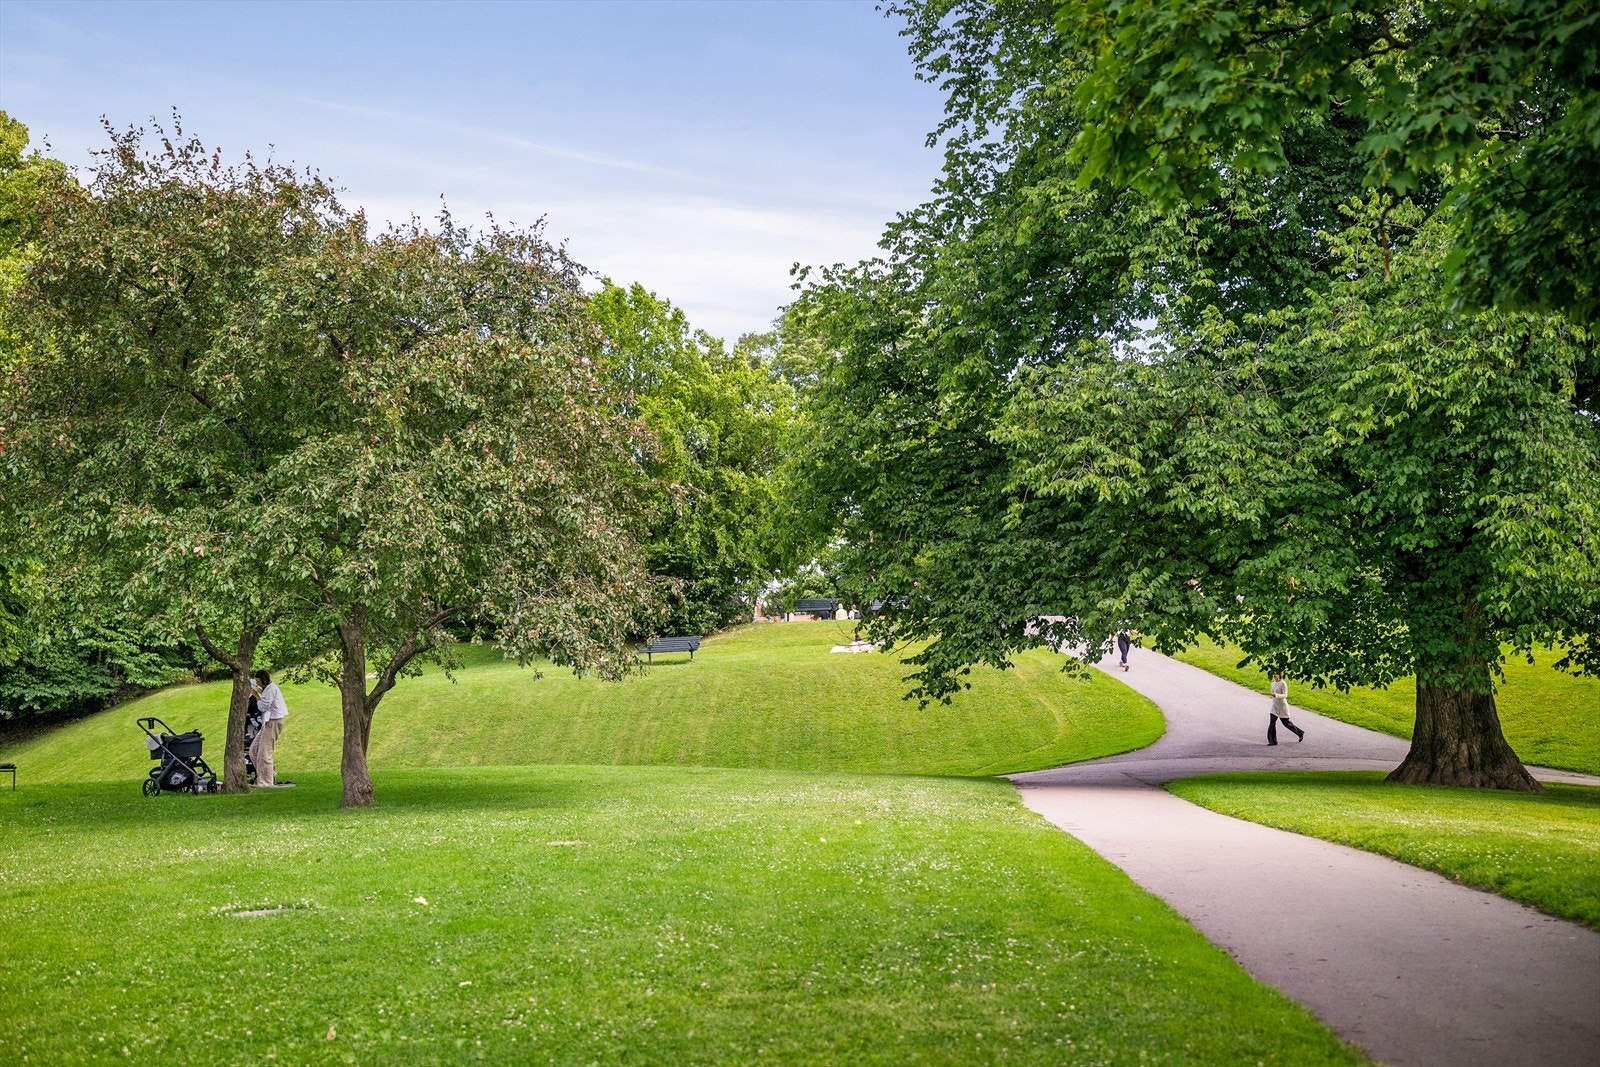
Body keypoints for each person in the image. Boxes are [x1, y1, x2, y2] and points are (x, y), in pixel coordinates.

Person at [250, 669, 291, 787]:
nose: (257, 684)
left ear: (263, 680)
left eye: (258, 681)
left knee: (264, 753)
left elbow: (263, 707)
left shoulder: (270, 690)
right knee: (254, 750)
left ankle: (266, 782)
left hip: (273, 722)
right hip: (267, 722)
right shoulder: (267, 689)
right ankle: (268, 774)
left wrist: (256, 695)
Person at [1267, 673, 1305, 745]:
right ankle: (1272, 741)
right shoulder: (1273, 683)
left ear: (1280, 675)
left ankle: (1300, 732)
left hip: (1282, 706)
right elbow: (1273, 693)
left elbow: (1285, 695)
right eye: (1274, 674)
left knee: (1286, 723)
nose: (1274, 676)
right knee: (1272, 723)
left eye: (1276, 674)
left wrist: (1277, 695)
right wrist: (1273, 696)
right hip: (1275, 706)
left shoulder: (1283, 683)